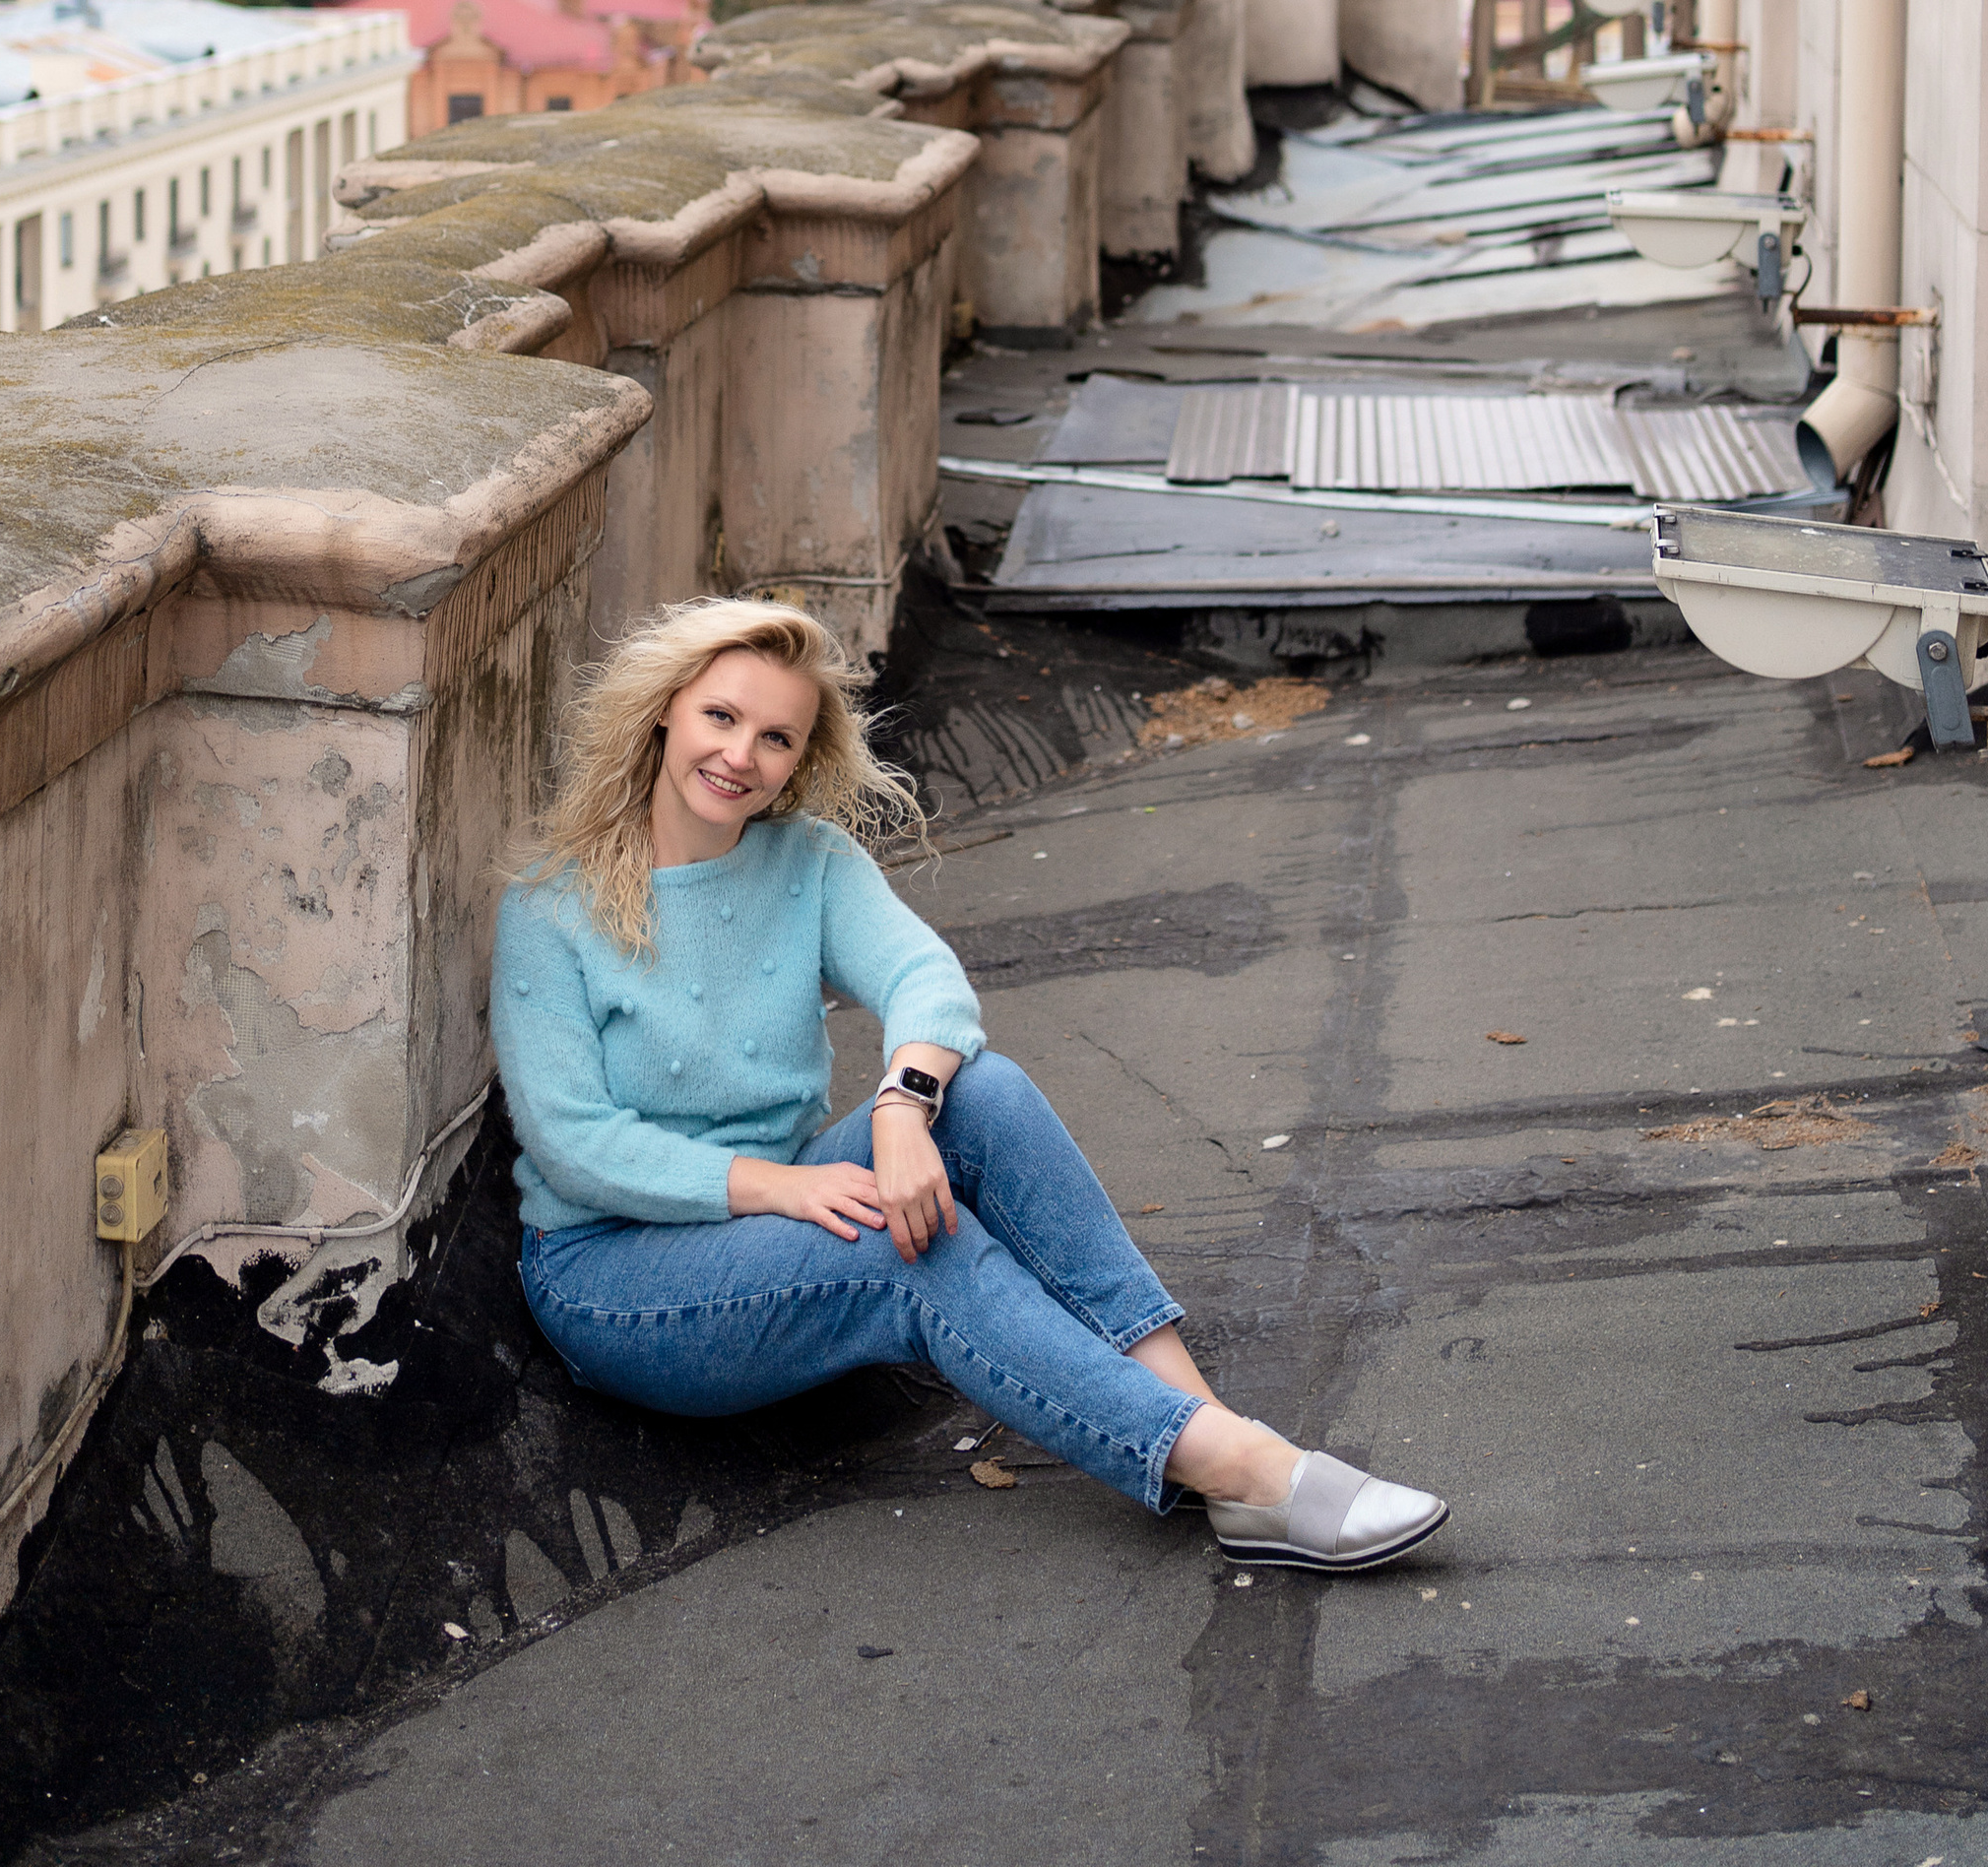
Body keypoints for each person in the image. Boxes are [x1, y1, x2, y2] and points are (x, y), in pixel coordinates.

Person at [493, 598, 1447, 1574]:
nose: (742, 755)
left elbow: (925, 983)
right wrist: (787, 1188)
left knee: (983, 1094)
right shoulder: (550, 907)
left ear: (799, 758)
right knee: (906, 1246)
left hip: (774, 1205)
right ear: (665, 712)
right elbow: (574, 1142)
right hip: (615, 1274)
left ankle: (1198, 1427)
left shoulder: (807, 863)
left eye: (775, 737)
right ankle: (1239, 1466)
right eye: (721, 718)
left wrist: (903, 1107)